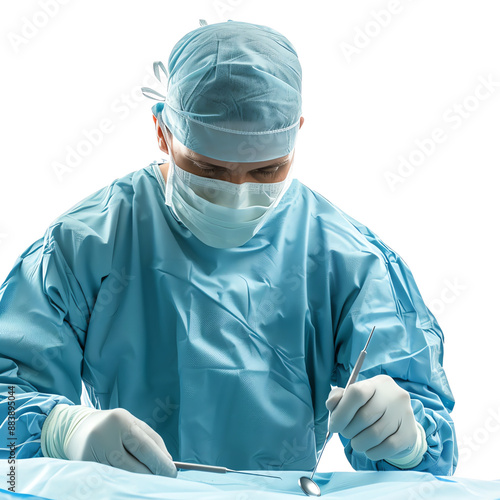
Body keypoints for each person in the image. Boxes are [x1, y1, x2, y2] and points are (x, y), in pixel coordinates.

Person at [0, 19, 457, 478]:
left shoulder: (351, 261)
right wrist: (62, 429)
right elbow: (7, 397)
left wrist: (408, 439)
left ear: (295, 136)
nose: (236, 194)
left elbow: (429, 453)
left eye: (265, 171)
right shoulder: (87, 243)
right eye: (208, 170)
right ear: (162, 132)